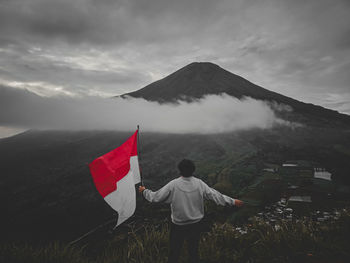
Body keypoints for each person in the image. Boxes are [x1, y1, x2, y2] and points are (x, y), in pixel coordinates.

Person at [138, 159, 244, 263]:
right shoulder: (199, 184)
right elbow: (215, 195)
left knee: (174, 252)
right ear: (193, 170)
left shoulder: (173, 184)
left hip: (178, 225)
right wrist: (233, 201)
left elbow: (155, 197)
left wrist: (144, 191)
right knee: (193, 252)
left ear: (180, 170)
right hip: (196, 224)